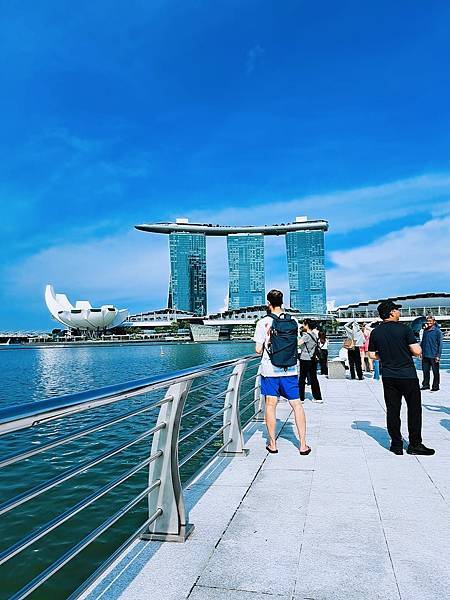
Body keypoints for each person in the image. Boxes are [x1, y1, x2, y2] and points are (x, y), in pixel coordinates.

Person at [368, 300, 435, 456]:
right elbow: (417, 351)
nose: (399, 312)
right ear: (391, 312)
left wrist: (384, 356)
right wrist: (406, 351)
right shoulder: (404, 329)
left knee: (392, 410)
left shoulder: (376, 332)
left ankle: (396, 445)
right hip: (407, 376)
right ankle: (415, 445)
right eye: (397, 310)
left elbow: (371, 354)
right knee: (414, 410)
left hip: (389, 376)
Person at [253, 289, 311, 455]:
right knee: (297, 405)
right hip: (290, 369)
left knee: (270, 406)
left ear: (268, 304)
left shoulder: (262, 322)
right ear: (282, 302)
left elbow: (258, 350)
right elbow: (298, 342)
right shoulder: (293, 320)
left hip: (270, 371)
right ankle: (303, 445)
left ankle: (273, 444)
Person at [298, 319, 323, 403]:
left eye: (304, 324)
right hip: (313, 358)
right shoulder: (314, 335)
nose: (303, 326)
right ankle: (318, 397)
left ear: (307, 325)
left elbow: (298, 343)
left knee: (302, 378)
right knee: (313, 378)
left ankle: (301, 398)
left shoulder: (306, 336)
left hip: (305, 358)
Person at [420, 315, 443, 392]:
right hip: (425, 354)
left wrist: (438, 355)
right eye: (428, 321)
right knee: (425, 371)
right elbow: (423, 342)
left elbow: (440, 344)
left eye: (430, 321)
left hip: (434, 355)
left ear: (434, 322)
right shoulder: (425, 331)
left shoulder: (437, 331)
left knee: (435, 372)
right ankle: (426, 385)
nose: (429, 322)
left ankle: (436, 386)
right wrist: (421, 352)